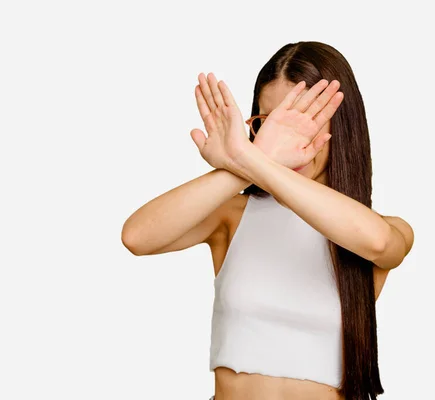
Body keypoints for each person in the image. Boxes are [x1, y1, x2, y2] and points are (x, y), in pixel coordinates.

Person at [121, 41, 414, 400]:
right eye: (269, 124)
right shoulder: (233, 215)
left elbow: (380, 244)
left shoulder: (377, 228)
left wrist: (249, 160)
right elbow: (137, 236)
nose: (286, 140)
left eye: (303, 120)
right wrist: (244, 167)